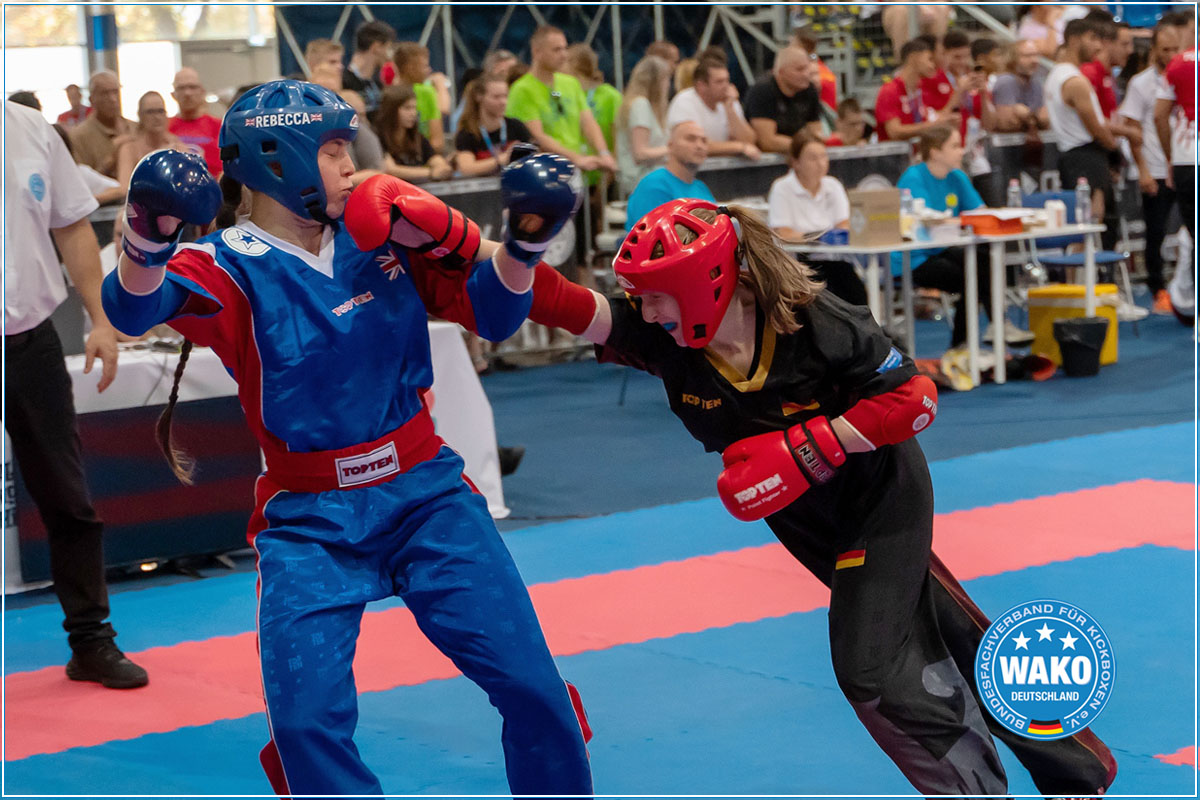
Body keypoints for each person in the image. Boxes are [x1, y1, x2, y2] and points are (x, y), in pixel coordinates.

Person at [521, 196, 1117, 797]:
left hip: (878, 499)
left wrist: (810, 447)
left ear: (702, 284)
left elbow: (915, 399)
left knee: (870, 669)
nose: (645, 310)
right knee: (946, 627)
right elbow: (558, 301)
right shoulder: (662, 336)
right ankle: (1078, 770)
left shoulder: (814, 321)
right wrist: (488, 245)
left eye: (657, 294)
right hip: (803, 517)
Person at [99, 79, 593, 797]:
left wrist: (525, 242)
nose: (352, 166)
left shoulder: (383, 233)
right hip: (309, 518)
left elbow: (492, 314)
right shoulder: (227, 262)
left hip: (425, 494)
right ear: (280, 158)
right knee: (303, 729)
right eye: (333, 150)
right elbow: (133, 307)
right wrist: (147, 233)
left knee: (536, 689)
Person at [4, 99, 147, 690]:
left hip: (31, 343)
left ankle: (91, 641)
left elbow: (73, 229)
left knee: (68, 498)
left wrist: (101, 320)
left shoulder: (31, 129)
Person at [897, 128, 1034, 348]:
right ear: (935, 152)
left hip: (943, 249)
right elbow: (927, 221)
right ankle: (984, 332)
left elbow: (980, 212)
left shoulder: (957, 176)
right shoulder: (914, 178)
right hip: (914, 257)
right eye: (954, 146)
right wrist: (960, 221)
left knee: (982, 261)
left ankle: (980, 335)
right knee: (974, 277)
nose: (961, 151)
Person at [1121, 21, 1182, 313]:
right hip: (1155, 168)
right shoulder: (1140, 83)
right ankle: (1158, 288)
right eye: (1165, 49)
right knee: (1155, 231)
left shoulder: (1186, 77)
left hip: (1183, 165)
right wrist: (1143, 170)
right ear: (1154, 49)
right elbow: (1132, 129)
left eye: (1175, 49)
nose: (1170, 55)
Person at [767, 131, 867, 305]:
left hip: (835, 261)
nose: (821, 163)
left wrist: (835, 236)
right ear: (796, 162)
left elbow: (844, 224)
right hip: (798, 265)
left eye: (823, 156)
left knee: (855, 291)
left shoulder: (833, 185)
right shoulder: (782, 188)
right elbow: (783, 233)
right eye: (813, 158)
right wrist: (818, 238)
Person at [1045, 18, 1120, 246]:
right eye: (1093, 38)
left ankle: (1084, 265)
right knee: (1092, 223)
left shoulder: (1055, 76)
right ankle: (1089, 267)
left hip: (1073, 156)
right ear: (1075, 39)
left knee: (1085, 224)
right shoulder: (1074, 81)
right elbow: (1095, 127)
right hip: (1086, 157)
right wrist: (1115, 151)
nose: (1098, 46)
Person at [506, 25, 616, 175]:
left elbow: (588, 122)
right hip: (543, 170)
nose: (564, 55)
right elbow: (537, 136)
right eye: (556, 50)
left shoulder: (570, 83)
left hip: (572, 170)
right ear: (537, 52)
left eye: (565, 48)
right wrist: (576, 158)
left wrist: (603, 153)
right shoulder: (522, 90)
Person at [624, 120, 714, 231]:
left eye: (704, 141)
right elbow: (649, 236)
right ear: (671, 145)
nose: (699, 145)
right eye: (690, 139)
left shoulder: (701, 187)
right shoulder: (654, 185)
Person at [665, 57, 760, 159]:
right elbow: (693, 144)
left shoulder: (730, 101)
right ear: (701, 85)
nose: (726, 86)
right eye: (719, 82)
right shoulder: (684, 101)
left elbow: (749, 141)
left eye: (727, 80)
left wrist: (730, 111)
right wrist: (739, 147)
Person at [744, 45, 825, 153]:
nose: (806, 74)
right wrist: (805, 146)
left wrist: (810, 145)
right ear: (781, 72)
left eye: (807, 68)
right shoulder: (762, 91)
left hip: (797, 152)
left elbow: (815, 132)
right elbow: (767, 142)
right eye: (799, 69)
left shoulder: (809, 90)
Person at [874, 38, 955, 142]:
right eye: (929, 59)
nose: (933, 65)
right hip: (895, 152)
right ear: (913, 58)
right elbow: (894, 132)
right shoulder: (890, 91)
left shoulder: (917, 91)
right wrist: (932, 126)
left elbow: (931, 119)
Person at [453, 75, 534, 177]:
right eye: (496, 97)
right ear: (479, 97)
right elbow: (467, 168)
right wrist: (501, 160)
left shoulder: (516, 126)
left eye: (505, 96)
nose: (503, 102)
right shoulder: (468, 133)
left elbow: (533, 156)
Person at [616, 55, 671, 196]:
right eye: (666, 79)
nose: (668, 85)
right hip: (642, 181)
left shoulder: (642, 105)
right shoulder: (640, 105)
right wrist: (673, 149)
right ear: (656, 82)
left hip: (650, 179)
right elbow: (640, 153)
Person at [376, 84, 453, 182]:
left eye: (415, 108)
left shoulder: (416, 136)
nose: (413, 113)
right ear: (391, 110)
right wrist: (430, 172)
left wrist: (442, 167)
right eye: (407, 108)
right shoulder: (378, 136)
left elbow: (434, 159)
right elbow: (390, 170)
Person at [69, 71, 136, 179]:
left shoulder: (135, 128)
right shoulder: (79, 137)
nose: (113, 99)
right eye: (105, 94)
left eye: (115, 92)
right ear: (92, 99)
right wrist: (110, 160)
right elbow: (81, 181)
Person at [115, 91, 186, 192]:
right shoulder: (130, 148)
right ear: (140, 115)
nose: (157, 117)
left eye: (160, 111)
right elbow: (124, 188)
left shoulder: (177, 147)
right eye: (150, 112)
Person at [168, 68, 223, 177]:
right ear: (173, 94)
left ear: (202, 91)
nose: (187, 93)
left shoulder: (220, 127)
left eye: (192, 87)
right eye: (181, 88)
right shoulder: (165, 128)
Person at [341, 19, 396, 119]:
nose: (390, 56)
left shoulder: (377, 84)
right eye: (389, 48)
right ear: (376, 47)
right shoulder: (344, 82)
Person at [992, 40, 1051, 131]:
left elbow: (1045, 120)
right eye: (1027, 56)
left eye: (1036, 55)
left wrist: (1026, 114)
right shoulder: (1006, 81)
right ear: (1013, 59)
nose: (1034, 60)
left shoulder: (1036, 83)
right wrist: (1035, 118)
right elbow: (1006, 123)